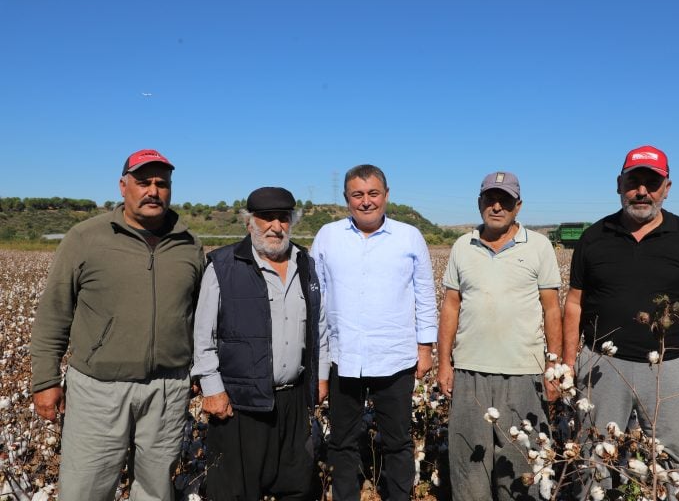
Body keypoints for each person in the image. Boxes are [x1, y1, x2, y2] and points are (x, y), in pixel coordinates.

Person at [31, 149, 205, 501]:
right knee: (85, 489)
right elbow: (54, 311)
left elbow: (200, 316)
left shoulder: (190, 244)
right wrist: (45, 379)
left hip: (168, 389)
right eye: (143, 182)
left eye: (162, 183)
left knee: (156, 490)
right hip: (98, 389)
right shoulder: (86, 238)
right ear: (123, 186)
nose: (153, 191)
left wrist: (200, 372)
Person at [562, 145, 679, 500]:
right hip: (601, 369)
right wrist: (569, 362)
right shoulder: (594, 237)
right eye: (634, 181)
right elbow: (574, 303)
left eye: (651, 183)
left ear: (666, 188)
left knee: (676, 467)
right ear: (618, 185)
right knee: (594, 465)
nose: (642, 191)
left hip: (672, 369)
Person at [191, 187, 328, 500]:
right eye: (266, 218)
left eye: (283, 218)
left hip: (293, 401)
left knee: (296, 487)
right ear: (248, 222)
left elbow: (319, 326)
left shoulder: (305, 264)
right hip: (239, 405)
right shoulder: (223, 266)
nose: (275, 226)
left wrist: (319, 377)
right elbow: (203, 336)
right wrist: (212, 389)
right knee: (235, 491)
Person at [310, 164, 438, 501]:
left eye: (373, 193)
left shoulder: (409, 236)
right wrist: (318, 361)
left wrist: (425, 347)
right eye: (358, 195)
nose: (366, 201)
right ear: (346, 199)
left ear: (386, 196)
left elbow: (425, 294)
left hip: (395, 357)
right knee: (342, 440)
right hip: (344, 356)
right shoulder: (328, 236)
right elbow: (316, 300)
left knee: (397, 440)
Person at [436, 171, 562, 500]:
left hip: (524, 372)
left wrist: (554, 365)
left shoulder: (539, 246)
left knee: (521, 465)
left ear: (517, 206)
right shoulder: (463, 246)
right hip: (469, 371)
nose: (496, 206)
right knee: (469, 463)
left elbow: (552, 309)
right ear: (479, 203)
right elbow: (451, 306)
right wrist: (444, 364)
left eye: (504, 200)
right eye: (489, 199)